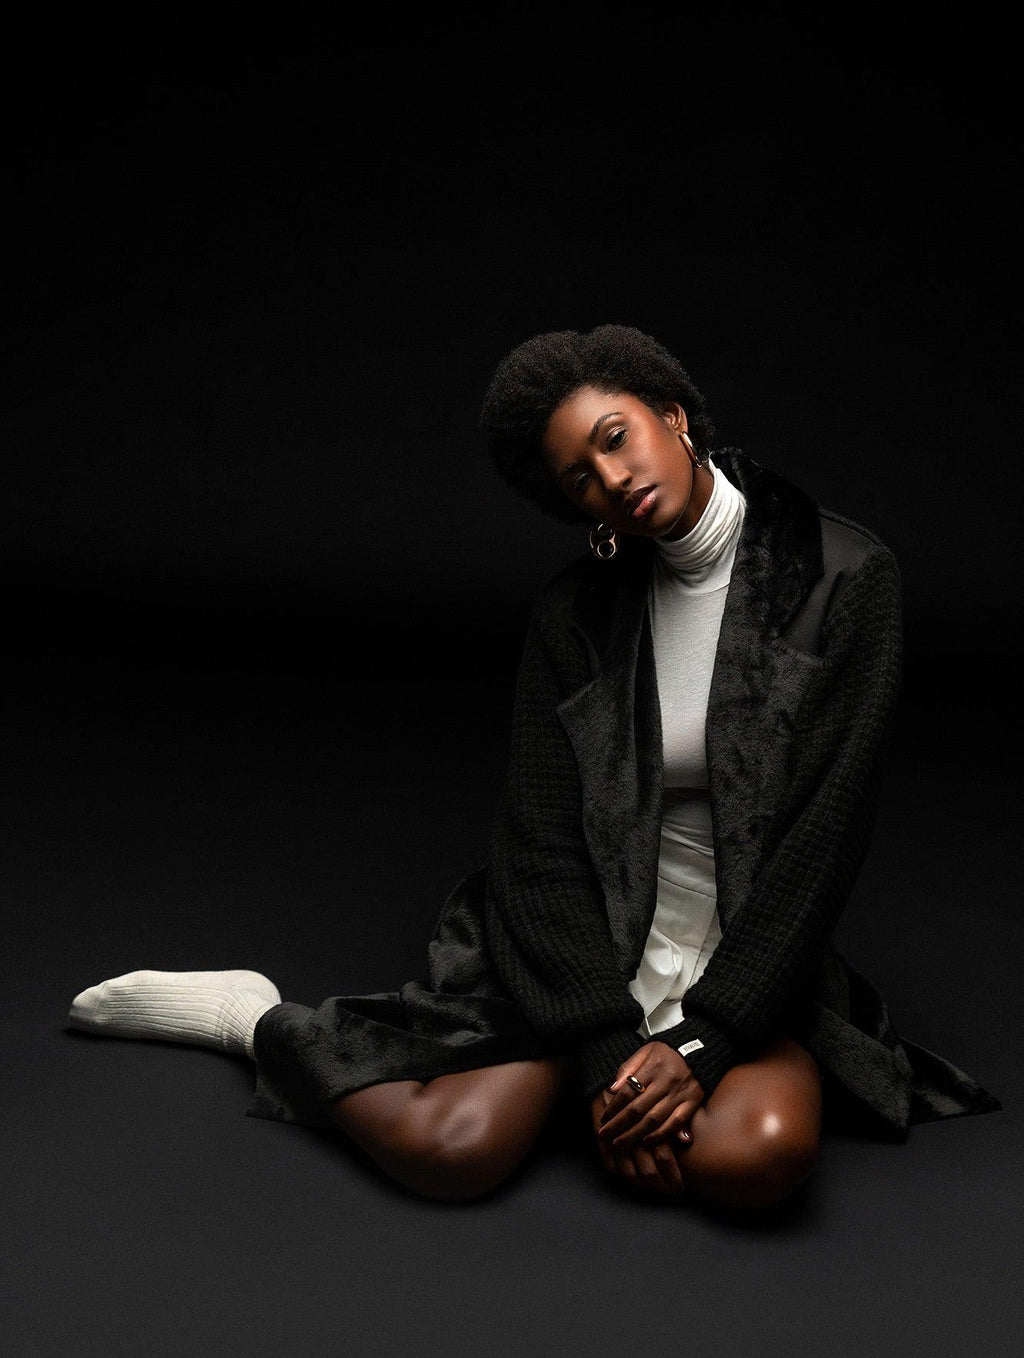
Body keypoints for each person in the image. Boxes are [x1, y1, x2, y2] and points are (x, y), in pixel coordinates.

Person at [67, 325, 1000, 1211]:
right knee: (454, 1152)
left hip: (754, 957)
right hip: (589, 948)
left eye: (616, 437)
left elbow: (823, 841)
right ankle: (253, 1020)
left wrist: (710, 1037)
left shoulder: (844, 576)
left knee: (759, 1155)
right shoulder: (575, 615)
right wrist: (603, 1052)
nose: (613, 478)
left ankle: (608, 1086)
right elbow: (538, 847)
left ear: (673, 414)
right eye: (580, 477)